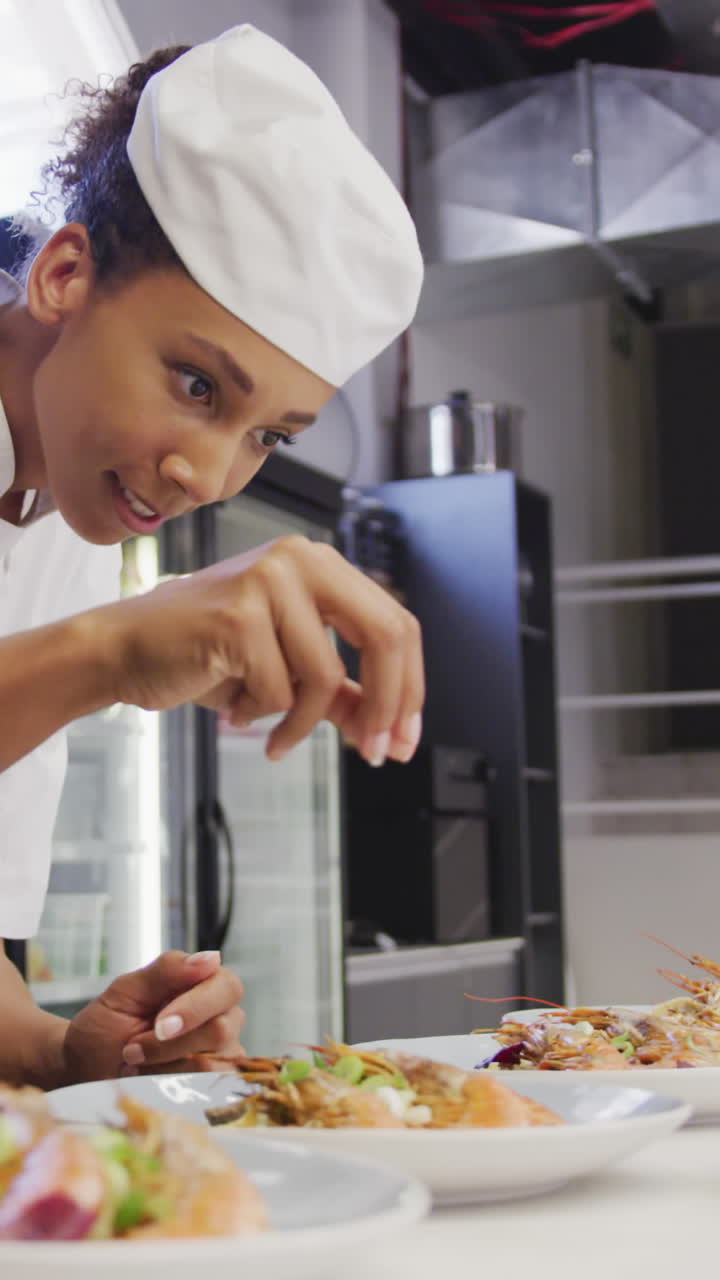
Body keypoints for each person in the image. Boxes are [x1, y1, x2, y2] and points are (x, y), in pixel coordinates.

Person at [0, 23, 425, 1089]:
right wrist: (103, 654)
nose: (210, 474)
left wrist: (60, 1047)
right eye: (198, 386)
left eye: (267, 435)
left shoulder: (76, 517)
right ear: (64, 273)